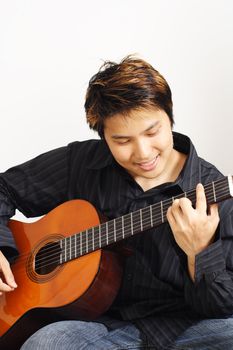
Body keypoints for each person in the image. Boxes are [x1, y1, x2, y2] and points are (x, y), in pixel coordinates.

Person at [0, 55, 233, 350]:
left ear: (170, 117)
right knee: (47, 343)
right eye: (123, 141)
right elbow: (3, 187)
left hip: (186, 328)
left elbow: (220, 307)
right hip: (101, 327)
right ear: (104, 136)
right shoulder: (82, 163)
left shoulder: (216, 194)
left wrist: (200, 252)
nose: (143, 152)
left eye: (152, 132)